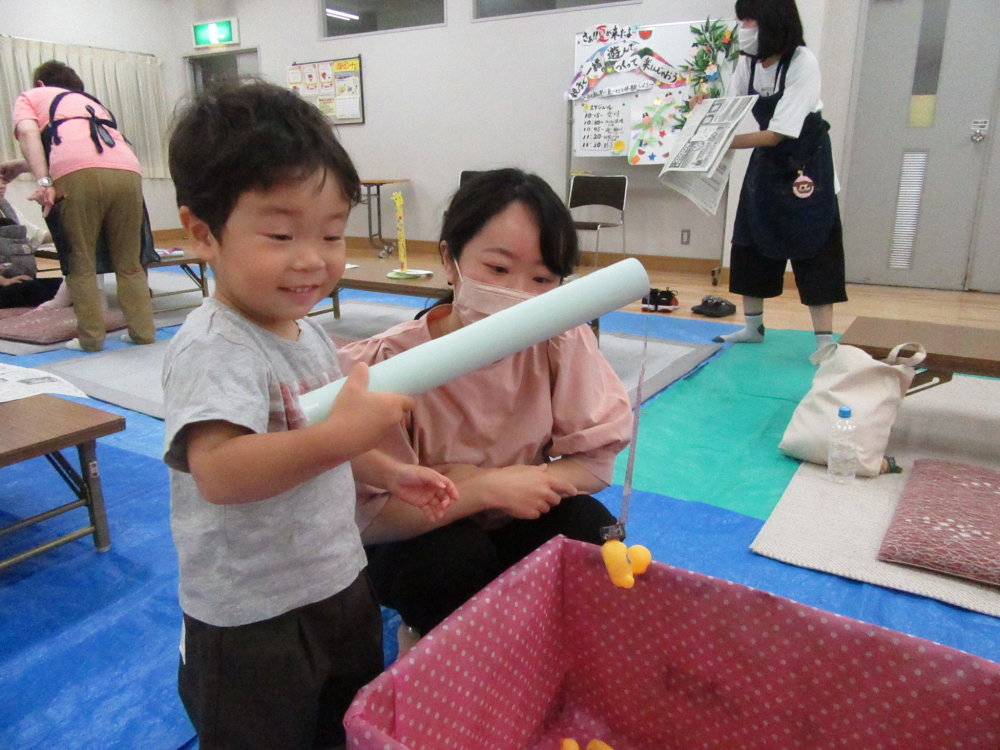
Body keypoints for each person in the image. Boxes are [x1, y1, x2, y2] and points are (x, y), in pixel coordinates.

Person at [163, 80, 457, 750]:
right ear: (202, 233)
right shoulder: (216, 349)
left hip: (335, 582)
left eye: (331, 234)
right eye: (280, 233)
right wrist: (340, 437)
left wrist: (385, 469)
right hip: (250, 621)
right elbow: (221, 472)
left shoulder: (309, 332)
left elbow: (321, 438)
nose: (313, 259)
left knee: (342, 726)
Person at [340, 168, 633, 653]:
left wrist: (524, 484)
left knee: (594, 536)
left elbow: (596, 459)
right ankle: (428, 631)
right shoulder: (392, 364)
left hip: (520, 510)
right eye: (498, 270)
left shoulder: (559, 341)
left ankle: (535, 644)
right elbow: (371, 517)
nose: (518, 295)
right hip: (426, 533)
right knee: (452, 563)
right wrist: (481, 488)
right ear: (449, 261)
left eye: (542, 278)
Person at [702, 0, 845, 353]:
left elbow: (779, 132)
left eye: (748, 19)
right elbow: (729, 107)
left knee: (815, 245)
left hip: (807, 161)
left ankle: (824, 340)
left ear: (771, 21)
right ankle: (753, 326)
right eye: (741, 20)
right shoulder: (748, 64)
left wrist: (723, 143)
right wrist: (702, 116)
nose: (743, 28)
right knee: (751, 236)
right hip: (768, 162)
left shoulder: (801, 62)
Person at [12, 60, 155, 351]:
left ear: (41, 83)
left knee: (80, 262)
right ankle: (142, 332)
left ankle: (90, 338)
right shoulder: (91, 103)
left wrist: (42, 182)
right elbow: (86, 147)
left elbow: (30, 135)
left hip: (78, 177)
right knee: (129, 263)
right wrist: (22, 167)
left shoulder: (32, 96)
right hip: (128, 171)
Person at [0, 174, 62, 308]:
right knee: (31, 289)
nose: (2, 186)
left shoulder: (8, 209)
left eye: (2, 180)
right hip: (4, 281)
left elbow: (38, 236)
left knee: (60, 285)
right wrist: (4, 281)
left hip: (19, 276)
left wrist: (68, 229)